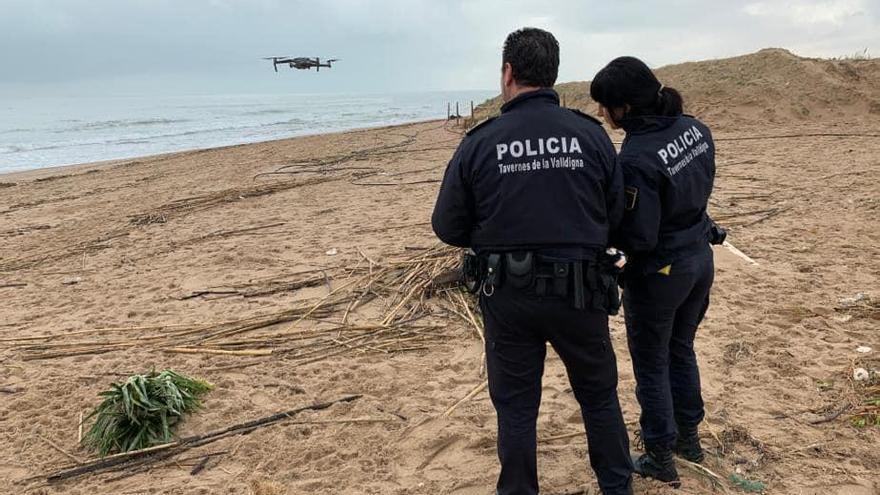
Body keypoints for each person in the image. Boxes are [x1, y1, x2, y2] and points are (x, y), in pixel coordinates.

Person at [432, 28, 634, 495]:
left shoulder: (481, 142)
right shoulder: (590, 135)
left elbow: (447, 226)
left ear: (508, 74)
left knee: (517, 406)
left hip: (508, 296)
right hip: (581, 293)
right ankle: (617, 486)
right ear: (552, 74)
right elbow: (616, 212)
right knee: (599, 395)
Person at [590, 56, 722, 486]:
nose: (601, 114)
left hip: (663, 272)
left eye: (604, 106)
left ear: (624, 107)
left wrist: (613, 255)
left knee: (652, 361)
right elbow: (699, 192)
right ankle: (690, 437)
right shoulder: (694, 129)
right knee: (680, 348)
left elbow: (640, 237)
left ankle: (660, 455)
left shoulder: (638, 157)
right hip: (700, 259)